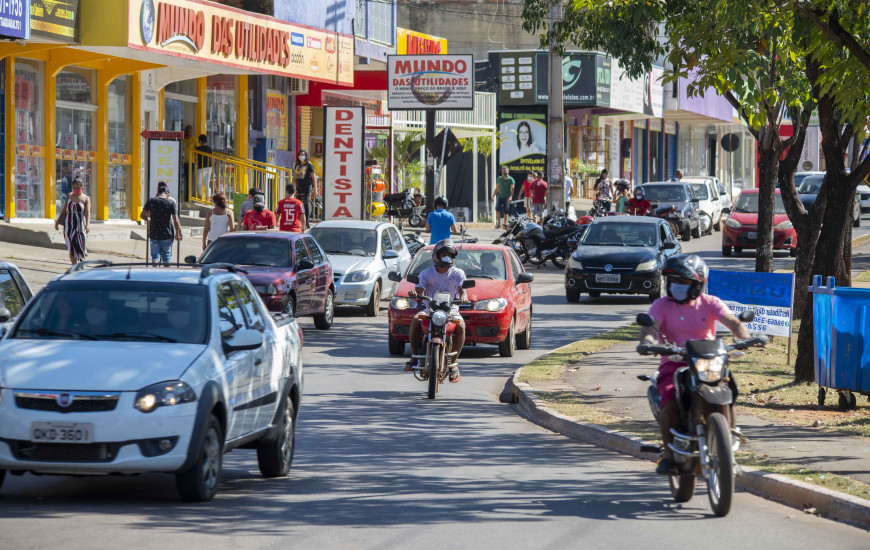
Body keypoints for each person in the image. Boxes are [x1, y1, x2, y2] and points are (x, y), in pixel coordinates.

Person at [637, 254, 749, 475]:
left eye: (684, 281)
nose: (678, 285)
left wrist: (744, 337)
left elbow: (734, 323)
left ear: (698, 284)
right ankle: (668, 456)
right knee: (669, 398)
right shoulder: (661, 305)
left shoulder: (710, 303)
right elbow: (650, 328)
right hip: (674, 363)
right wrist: (648, 342)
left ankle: (730, 442)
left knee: (728, 390)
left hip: (709, 362)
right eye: (674, 280)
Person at [405, 239, 467, 382]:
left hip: (451, 310)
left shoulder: (458, 273)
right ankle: (414, 358)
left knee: (461, 326)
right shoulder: (426, 273)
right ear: (436, 255)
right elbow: (420, 289)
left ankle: (453, 363)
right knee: (415, 320)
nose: (447, 257)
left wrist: (463, 296)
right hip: (430, 309)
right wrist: (416, 294)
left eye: (449, 255)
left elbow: (461, 289)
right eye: (444, 254)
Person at [141, 181, 183, 266]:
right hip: (166, 234)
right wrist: (179, 232)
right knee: (167, 258)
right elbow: (176, 219)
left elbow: (142, 215)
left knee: (155, 257)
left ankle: (155, 272)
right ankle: (166, 275)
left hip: (154, 234)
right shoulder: (171, 202)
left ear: (158, 192)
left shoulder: (151, 200)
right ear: (167, 194)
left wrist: (149, 220)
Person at [54, 177, 90, 265]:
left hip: (80, 225)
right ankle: (74, 267)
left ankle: (82, 267)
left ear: (82, 188)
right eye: (74, 187)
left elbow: (87, 212)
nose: (76, 189)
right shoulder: (69, 196)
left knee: (81, 246)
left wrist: (88, 225)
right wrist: (58, 221)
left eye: (78, 188)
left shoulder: (86, 198)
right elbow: (64, 209)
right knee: (71, 246)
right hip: (69, 225)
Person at [294, 149, 318, 227]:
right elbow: (295, 176)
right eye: (300, 154)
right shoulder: (297, 165)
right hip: (299, 187)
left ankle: (306, 222)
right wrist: (292, 187)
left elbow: (313, 177)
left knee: (306, 203)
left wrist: (315, 189)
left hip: (307, 187)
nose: (302, 156)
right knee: (298, 204)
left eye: (303, 155)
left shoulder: (309, 165)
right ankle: (299, 221)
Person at [195, 134, 214, 198]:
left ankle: (200, 197)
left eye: (199, 141)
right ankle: (208, 198)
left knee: (199, 183)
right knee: (207, 183)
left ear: (200, 141)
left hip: (201, 167)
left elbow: (196, 158)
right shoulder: (209, 148)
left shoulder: (198, 149)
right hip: (209, 167)